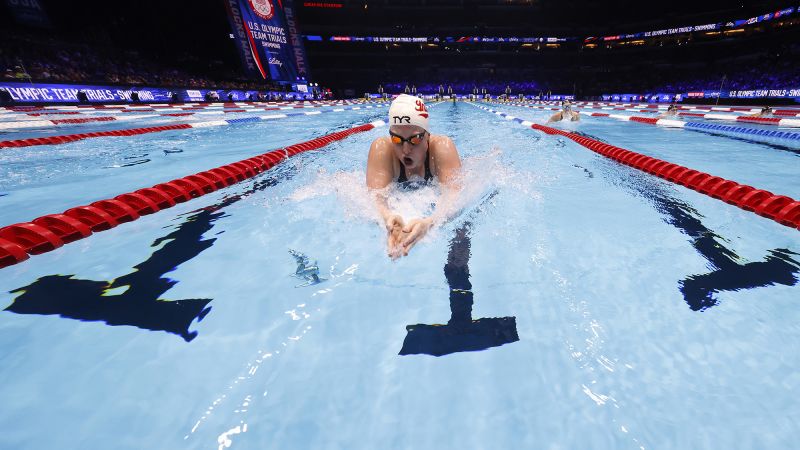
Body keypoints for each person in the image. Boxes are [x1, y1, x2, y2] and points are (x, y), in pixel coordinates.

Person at [366, 94, 463, 259]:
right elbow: (374, 197)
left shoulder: (442, 148)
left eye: (415, 140)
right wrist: (387, 216)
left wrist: (431, 221)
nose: (405, 150)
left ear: (427, 137)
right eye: (396, 139)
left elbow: (456, 196)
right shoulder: (382, 150)